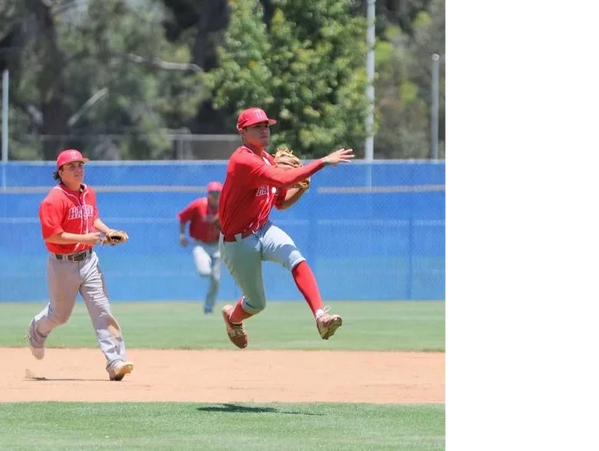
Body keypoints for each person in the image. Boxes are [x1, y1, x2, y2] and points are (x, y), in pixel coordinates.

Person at [218, 107, 355, 349]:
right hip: (238, 242)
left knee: (295, 258)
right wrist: (322, 162)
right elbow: (282, 179)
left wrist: (301, 186)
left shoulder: (267, 159)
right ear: (243, 132)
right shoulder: (242, 160)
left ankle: (321, 316)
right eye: (257, 126)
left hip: (262, 228)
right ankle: (233, 318)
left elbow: (280, 202)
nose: (264, 130)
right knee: (256, 303)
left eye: (266, 126)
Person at [27, 149, 134, 381]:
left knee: (102, 310)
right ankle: (37, 330)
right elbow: (52, 236)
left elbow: (92, 217)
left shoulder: (88, 193)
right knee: (59, 316)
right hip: (62, 265)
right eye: (73, 166)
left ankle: (115, 361)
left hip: (89, 261)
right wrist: (85, 238)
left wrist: (109, 231)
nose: (79, 169)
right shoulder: (53, 200)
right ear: (61, 172)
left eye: (81, 165)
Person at [177, 181, 223, 314]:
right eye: (213, 193)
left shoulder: (225, 207)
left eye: (218, 193)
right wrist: (182, 235)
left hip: (217, 245)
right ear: (208, 194)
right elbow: (182, 217)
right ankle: (207, 268)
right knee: (205, 272)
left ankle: (208, 307)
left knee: (216, 279)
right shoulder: (199, 204)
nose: (215, 196)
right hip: (200, 244)